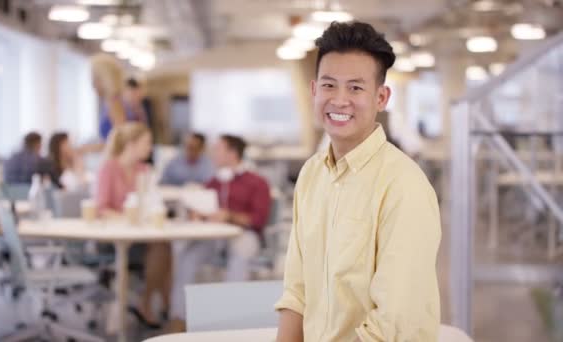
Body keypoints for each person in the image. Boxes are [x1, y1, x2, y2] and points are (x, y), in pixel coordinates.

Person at [275, 21, 441, 342]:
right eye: (329, 85)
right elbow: (297, 290)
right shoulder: (311, 175)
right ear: (314, 90)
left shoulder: (404, 186)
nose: (339, 100)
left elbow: (392, 323)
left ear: (381, 97)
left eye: (355, 87)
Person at [167, 134, 271, 331]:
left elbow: (258, 220)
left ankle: (230, 322)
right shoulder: (213, 182)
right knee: (187, 257)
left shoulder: (257, 182)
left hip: (244, 235)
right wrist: (199, 215)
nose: (212, 154)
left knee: (239, 258)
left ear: (232, 153)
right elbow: (204, 209)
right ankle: (178, 318)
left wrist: (229, 216)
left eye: (218, 150)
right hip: (215, 237)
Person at [95, 122, 171, 329]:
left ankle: (151, 304)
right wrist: (127, 218)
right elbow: (101, 209)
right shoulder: (108, 168)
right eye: (147, 142)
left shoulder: (144, 169)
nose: (150, 147)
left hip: (140, 235)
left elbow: (150, 201)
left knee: (164, 246)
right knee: (162, 249)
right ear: (131, 144)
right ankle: (163, 308)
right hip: (112, 239)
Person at [90, 53, 126, 141]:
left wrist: (89, 148)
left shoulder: (113, 102)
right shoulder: (110, 102)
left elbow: (120, 141)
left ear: (105, 79)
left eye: (95, 78)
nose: (92, 84)